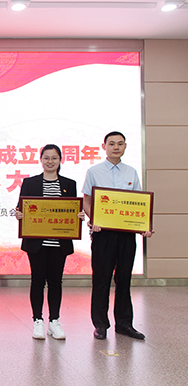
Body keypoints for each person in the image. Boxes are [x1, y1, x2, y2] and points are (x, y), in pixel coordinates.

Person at [82, 131, 153, 340]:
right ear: (104, 146)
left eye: (120, 144)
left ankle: (124, 324)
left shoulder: (131, 172)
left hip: (126, 236)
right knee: (101, 280)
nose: (115, 147)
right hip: (103, 234)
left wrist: (144, 226)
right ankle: (100, 324)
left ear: (125, 147)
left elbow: (139, 204)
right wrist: (93, 219)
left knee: (124, 279)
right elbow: (86, 200)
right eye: (111, 144)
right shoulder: (94, 171)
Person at [15, 144, 84, 340]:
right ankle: (38, 320)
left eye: (54, 158)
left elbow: (72, 209)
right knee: (37, 281)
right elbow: (20, 208)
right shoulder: (30, 183)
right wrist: (19, 214)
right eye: (46, 158)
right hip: (36, 243)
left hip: (59, 243)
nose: (50, 161)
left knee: (55, 282)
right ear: (41, 160)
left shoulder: (69, 184)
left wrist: (78, 216)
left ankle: (54, 321)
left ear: (60, 160)